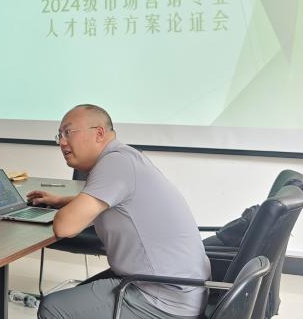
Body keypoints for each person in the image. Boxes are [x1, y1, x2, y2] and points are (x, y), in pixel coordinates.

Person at [26, 104, 210, 319]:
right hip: (181, 289)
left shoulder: (115, 163)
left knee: (53, 308)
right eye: (59, 136)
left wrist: (63, 210)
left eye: (68, 132)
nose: (62, 142)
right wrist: (59, 200)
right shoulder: (126, 156)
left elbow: (64, 227)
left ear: (99, 133)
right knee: (76, 297)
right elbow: (115, 202)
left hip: (161, 297)